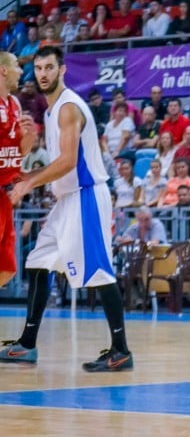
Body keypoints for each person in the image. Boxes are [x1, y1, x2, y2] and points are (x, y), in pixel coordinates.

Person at [2, 46, 132, 371]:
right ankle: (27, 344)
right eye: (39, 68)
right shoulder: (50, 111)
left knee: (99, 272)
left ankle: (121, 350)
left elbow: (68, 161)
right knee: (38, 261)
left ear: (62, 70)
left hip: (86, 195)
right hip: (67, 200)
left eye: (49, 68)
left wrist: (28, 182)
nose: (43, 74)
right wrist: (25, 165)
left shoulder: (67, 108)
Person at [0, 52, 36, 289]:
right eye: (16, 66)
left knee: (7, 268)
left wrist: (30, 136)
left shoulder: (15, 103)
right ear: (3, 70)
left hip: (7, 192)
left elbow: (21, 152)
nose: (21, 71)